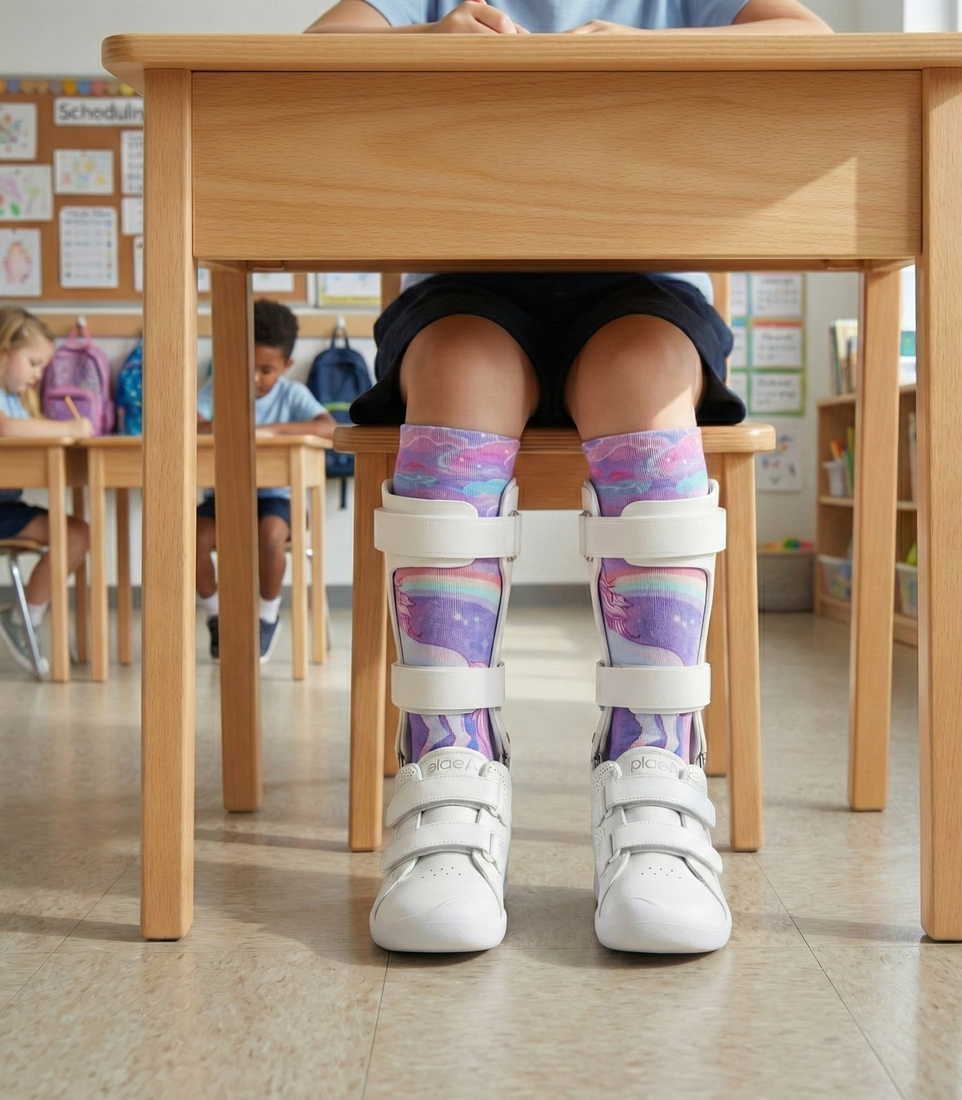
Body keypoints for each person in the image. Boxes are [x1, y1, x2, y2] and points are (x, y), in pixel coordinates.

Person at [306, 0, 831, 954]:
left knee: (644, 373)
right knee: (461, 371)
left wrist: (646, 45)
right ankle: (450, 760)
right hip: (463, 275)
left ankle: (654, 768)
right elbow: (324, 48)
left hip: (642, 274)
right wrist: (429, 39)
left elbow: (806, 42)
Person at [195, 299, 336, 663]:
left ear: (286, 366)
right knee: (190, 537)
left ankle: (265, 617)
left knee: (271, 536)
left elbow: (329, 428)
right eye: (247, 366)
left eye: (266, 369)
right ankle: (216, 616)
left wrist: (268, 430)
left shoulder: (291, 394)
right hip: (225, 499)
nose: (255, 378)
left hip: (276, 501)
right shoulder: (219, 387)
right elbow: (194, 425)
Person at [0, 306, 92, 676]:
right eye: (34, 363)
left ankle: (26, 616)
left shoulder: (14, 399)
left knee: (77, 533)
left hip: (7, 506)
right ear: (6, 351)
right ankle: (24, 620)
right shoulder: (7, 408)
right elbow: (6, 429)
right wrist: (69, 427)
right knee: (72, 535)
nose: (38, 376)